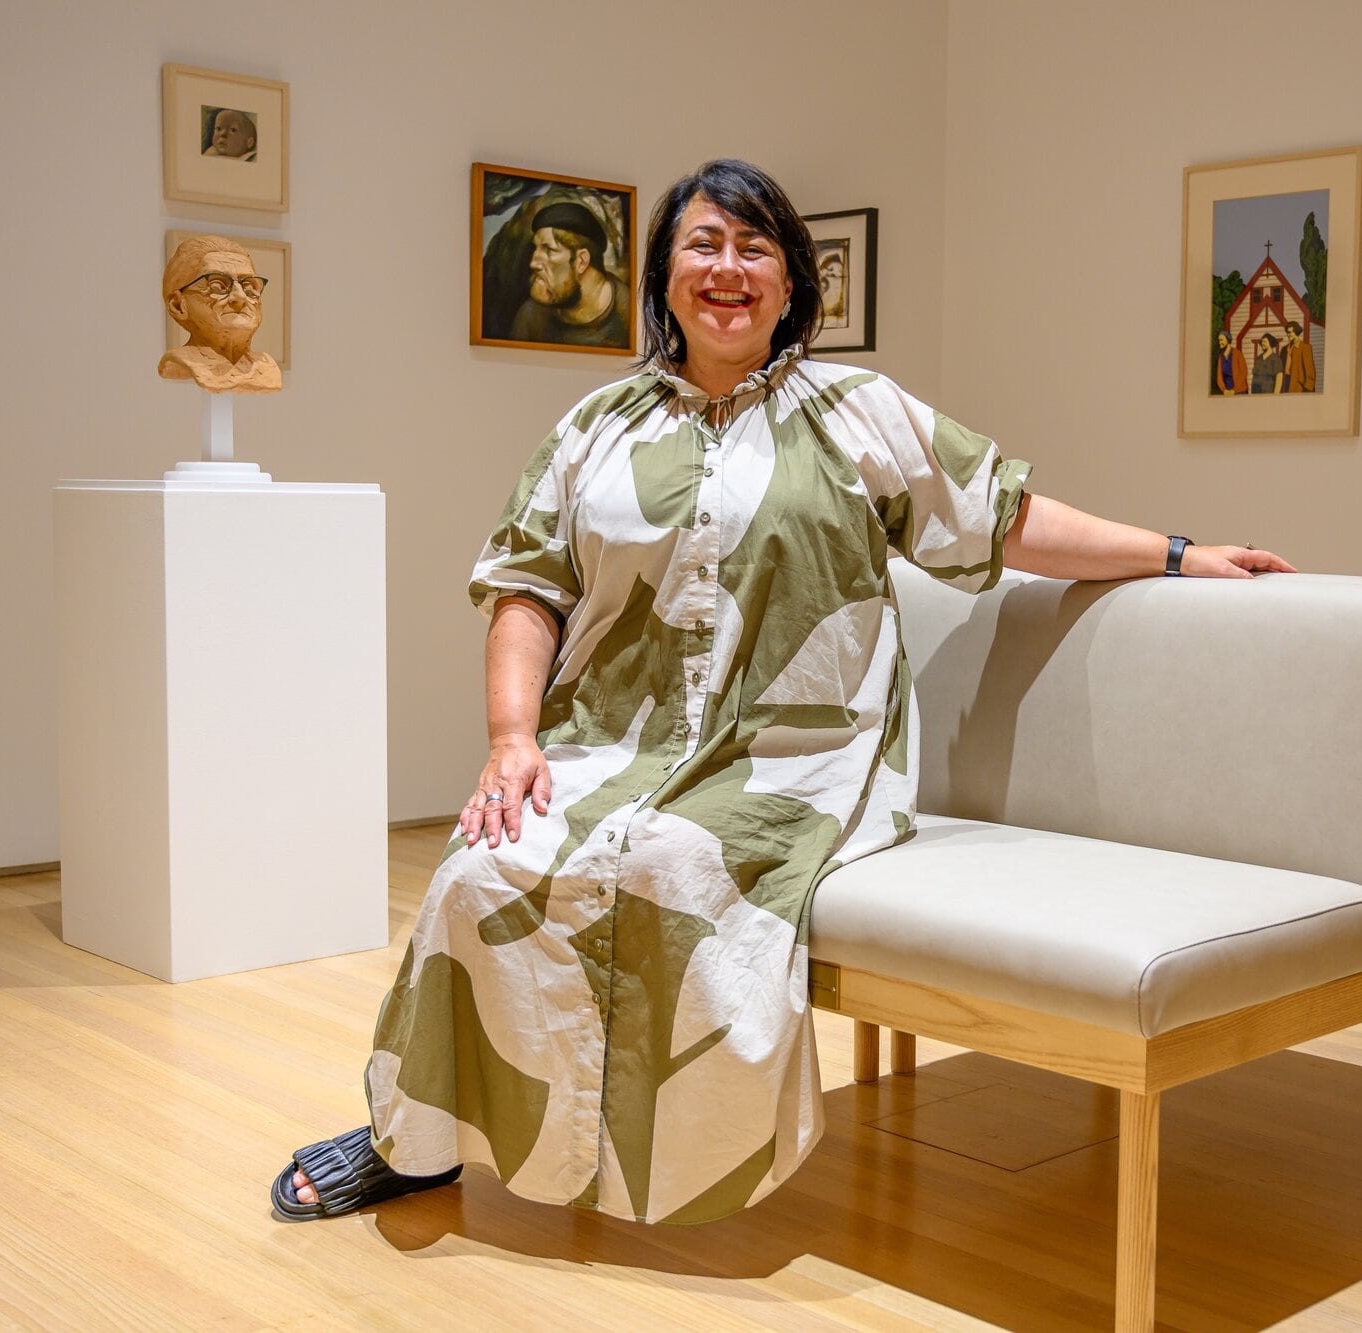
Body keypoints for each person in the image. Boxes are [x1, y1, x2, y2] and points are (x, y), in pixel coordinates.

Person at [271, 159, 1295, 1225]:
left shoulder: (860, 411)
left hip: (795, 751)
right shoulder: (594, 429)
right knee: (484, 866)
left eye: (753, 247)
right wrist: (511, 738)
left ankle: (643, 1157)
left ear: (792, 279)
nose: (727, 269)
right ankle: (415, 1137)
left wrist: (1176, 553)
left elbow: (1005, 518)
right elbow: (528, 589)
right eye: (702, 245)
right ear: (664, 276)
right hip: (605, 742)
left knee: (675, 863)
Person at [157, 235, 280, 393]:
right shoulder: (183, 361)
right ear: (178, 305)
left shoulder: (267, 367)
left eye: (248, 286)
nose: (240, 297)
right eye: (218, 285)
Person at [507, 200, 632, 349]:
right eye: (536, 248)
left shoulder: (630, 312)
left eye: (549, 250)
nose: (533, 263)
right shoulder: (532, 315)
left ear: (581, 261)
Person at [1279, 320, 1316, 393]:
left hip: (1299, 385)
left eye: (1290, 332)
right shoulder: (1284, 349)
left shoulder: (1305, 348)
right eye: (1287, 332)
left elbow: (1310, 372)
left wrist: (1308, 389)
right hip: (1285, 382)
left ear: (1296, 332)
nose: (1288, 335)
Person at [1214, 330, 1245, 395]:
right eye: (1219, 340)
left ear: (1228, 340)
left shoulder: (1238, 354)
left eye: (1221, 340)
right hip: (1226, 392)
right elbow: (1219, 377)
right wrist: (1224, 390)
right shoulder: (1220, 357)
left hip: (1239, 391)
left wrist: (1234, 390)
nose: (1220, 342)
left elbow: (1243, 373)